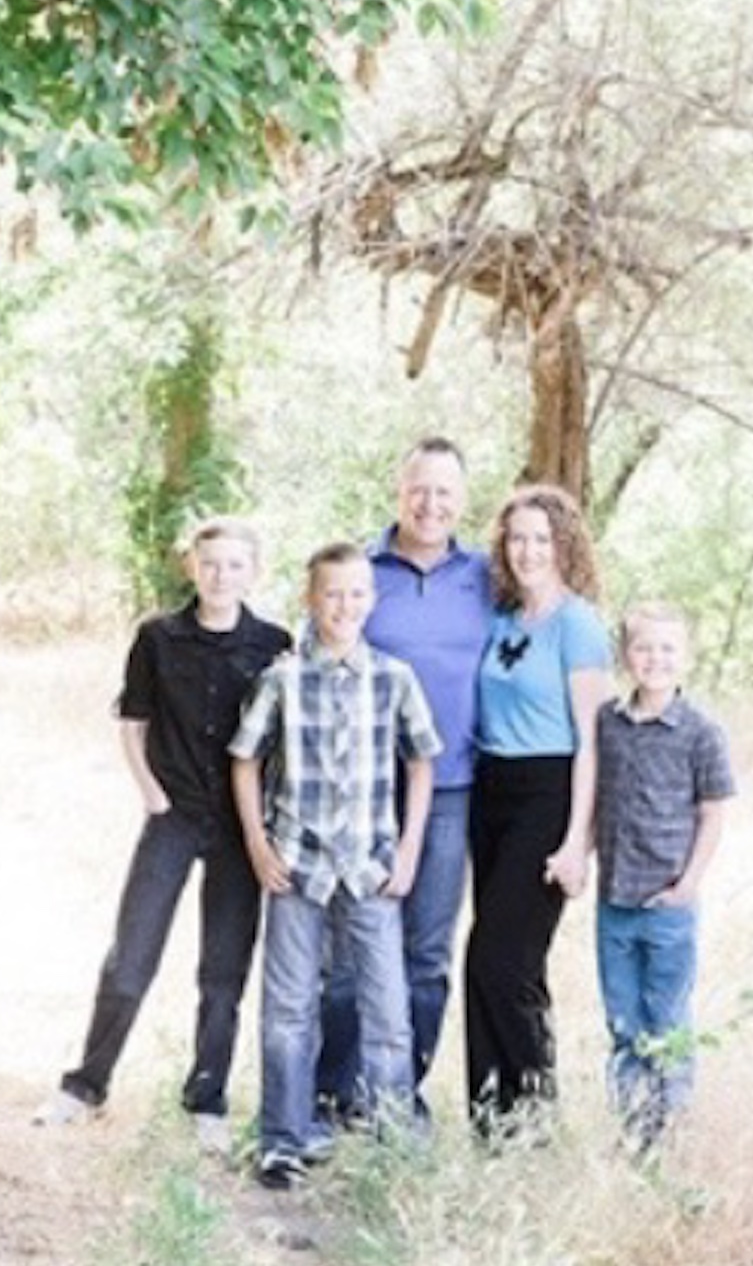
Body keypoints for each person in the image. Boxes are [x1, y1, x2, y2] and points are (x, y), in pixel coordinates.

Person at [34, 517, 291, 1155]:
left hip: (238, 826)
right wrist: (150, 792)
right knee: (132, 954)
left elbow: (283, 736)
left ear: (253, 571)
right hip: (173, 813)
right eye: (210, 564)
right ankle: (86, 1085)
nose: (221, 576)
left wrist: (269, 821)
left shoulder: (274, 644)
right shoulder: (157, 637)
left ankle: (206, 1098)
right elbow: (133, 719)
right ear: (191, 567)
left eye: (235, 565)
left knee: (224, 968)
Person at [230, 542, 442, 1190]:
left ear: (371, 601)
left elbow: (421, 761)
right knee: (289, 1007)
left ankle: (389, 1140)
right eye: (331, 594)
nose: (344, 605)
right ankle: (284, 1141)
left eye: (356, 594)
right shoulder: (283, 679)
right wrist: (258, 845)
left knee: (387, 1010)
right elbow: (245, 759)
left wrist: (407, 850)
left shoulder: (395, 678)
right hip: (295, 865)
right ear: (310, 599)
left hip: (372, 867)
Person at [316, 437, 493, 1120]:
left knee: (426, 952)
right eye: (420, 489)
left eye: (445, 492)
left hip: (449, 790)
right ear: (399, 491)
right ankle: (331, 1091)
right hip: (359, 790)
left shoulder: (485, 578)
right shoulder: (361, 569)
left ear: (462, 500)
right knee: (349, 953)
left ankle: (396, 1094)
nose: (431, 504)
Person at [465, 484, 612, 1132]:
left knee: (506, 959)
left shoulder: (577, 624)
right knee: (483, 962)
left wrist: (579, 839)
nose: (527, 551)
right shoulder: (501, 617)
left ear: (564, 546)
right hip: (489, 791)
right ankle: (490, 1123)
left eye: (541, 540)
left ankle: (535, 1116)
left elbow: (593, 743)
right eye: (517, 538)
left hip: (548, 794)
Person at [594, 600, 735, 1154]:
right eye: (643, 647)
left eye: (667, 648)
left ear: (687, 657)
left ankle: (671, 1123)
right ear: (625, 656)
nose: (655, 658)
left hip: (668, 901)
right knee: (624, 1020)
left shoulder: (700, 731)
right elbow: (593, 798)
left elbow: (714, 810)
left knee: (667, 1018)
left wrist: (688, 884)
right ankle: (633, 1128)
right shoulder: (608, 722)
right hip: (614, 901)